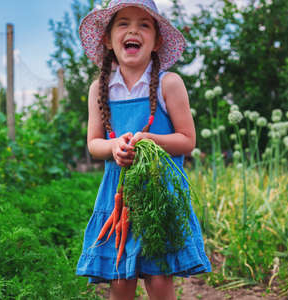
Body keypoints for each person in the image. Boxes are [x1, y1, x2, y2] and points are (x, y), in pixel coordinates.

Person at [76, 0, 211, 299]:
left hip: (159, 196)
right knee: (121, 278)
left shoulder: (169, 84)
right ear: (108, 39)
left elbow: (188, 140)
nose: (132, 30)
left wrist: (151, 141)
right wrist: (113, 147)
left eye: (144, 24)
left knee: (159, 276)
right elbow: (93, 143)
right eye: (123, 23)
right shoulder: (100, 88)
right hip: (119, 198)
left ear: (157, 40)